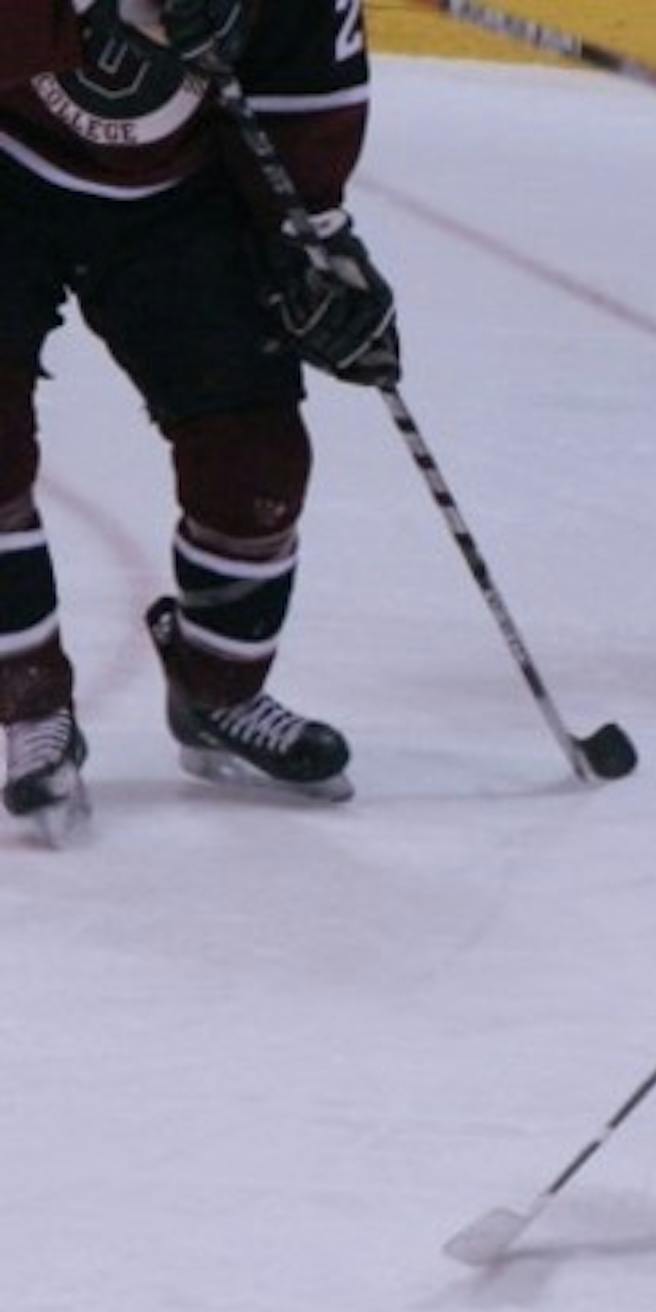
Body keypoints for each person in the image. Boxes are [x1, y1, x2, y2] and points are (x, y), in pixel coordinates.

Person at [0, 0, 400, 842]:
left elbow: (305, 91)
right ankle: (29, 702)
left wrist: (311, 237)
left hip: (175, 204)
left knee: (256, 456)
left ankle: (220, 688)